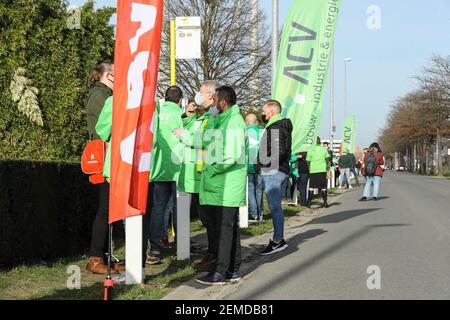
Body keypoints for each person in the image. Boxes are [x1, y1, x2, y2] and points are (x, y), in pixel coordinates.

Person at [196, 86, 247, 285]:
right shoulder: (223, 120)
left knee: (224, 230)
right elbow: (206, 141)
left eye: (216, 99)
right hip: (221, 185)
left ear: (223, 102)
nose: (213, 103)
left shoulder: (234, 121)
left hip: (227, 184)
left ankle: (220, 271)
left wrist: (213, 169)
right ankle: (233, 269)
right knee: (229, 229)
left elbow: (232, 155)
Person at [174, 80, 222, 273]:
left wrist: (183, 135)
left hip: (204, 174)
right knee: (207, 219)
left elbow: (202, 139)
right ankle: (212, 254)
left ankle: (215, 256)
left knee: (210, 219)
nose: (198, 95)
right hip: (197, 174)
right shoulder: (206, 116)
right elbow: (196, 128)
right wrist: (188, 115)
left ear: (210, 94)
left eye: (201, 92)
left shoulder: (214, 115)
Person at [85, 61, 124, 275]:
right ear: (107, 75)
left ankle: (105, 257)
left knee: (109, 209)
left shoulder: (103, 95)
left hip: (109, 156)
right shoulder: (101, 97)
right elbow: (105, 127)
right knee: (105, 209)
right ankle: (95, 257)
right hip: (104, 157)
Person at [147, 86, 185, 265]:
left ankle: (155, 249)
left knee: (159, 208)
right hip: (178, 166)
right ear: (180, 100)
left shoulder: (156, 112)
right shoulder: (180, 115)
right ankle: (182, 246)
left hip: (159, 166)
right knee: (180, 207)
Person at [256, 100, 292, 256]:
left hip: (274, 170)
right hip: (275, 169)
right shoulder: (276, 126)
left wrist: (264, 163)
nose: (262, 113)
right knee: (274, 205)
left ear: (271, 112)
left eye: (263, 111)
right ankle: (278, 239)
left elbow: (279, 151)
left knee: (274, 206)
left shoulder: (276, 127)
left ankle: (278, 241)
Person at [246, 113, 264, 222]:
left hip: (248, 166)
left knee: (251, 190)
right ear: (256, 121)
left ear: (247, 122)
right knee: (259, 191)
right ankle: (260, 214)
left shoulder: (243, 132)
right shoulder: (262, 132)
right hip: (261, 165)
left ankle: (254, 214)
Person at [306, 137, 331, 208]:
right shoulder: (324, 149)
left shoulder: (310, 149)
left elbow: (308, 161)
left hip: (313, 169)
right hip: (322, 169)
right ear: (320, 142)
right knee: (323, 187)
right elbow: (327, 159)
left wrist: (309, 168)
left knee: (311, 186)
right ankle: (325, 203)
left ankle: (309, 203)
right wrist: (324, 164)